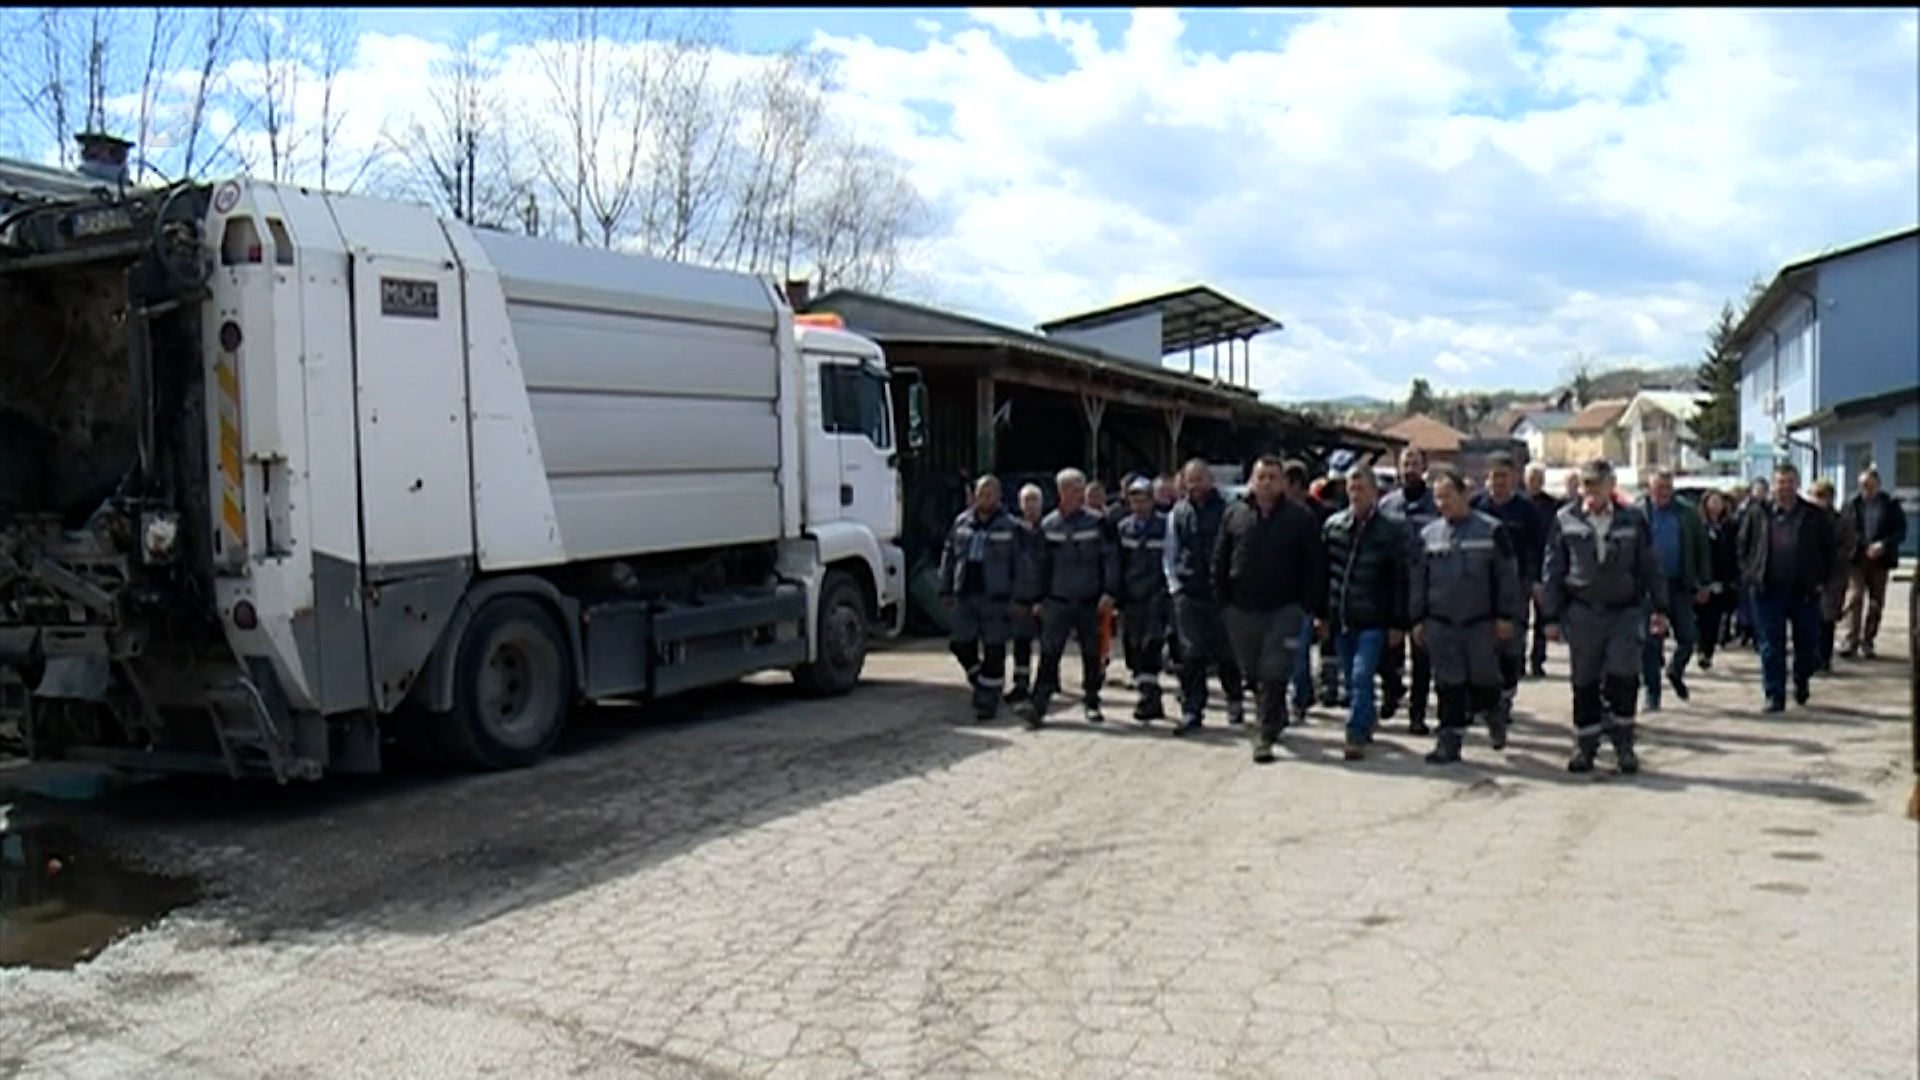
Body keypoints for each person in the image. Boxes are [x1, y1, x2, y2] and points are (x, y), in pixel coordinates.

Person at [1541, 459, 1667, 775]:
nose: (1592, 491)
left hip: (1623, 612)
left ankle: (1624, 744)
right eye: (1587, 485)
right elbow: (1553, 569)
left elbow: (1649, 566)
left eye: (1598, 484)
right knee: (1584, 682)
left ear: (1612, 487)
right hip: (1583, 612)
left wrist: (1660, 609)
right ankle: (1585, 745)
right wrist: (1550, 617)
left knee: (1623, 677)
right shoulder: (1565, 519)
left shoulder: (1632, 519)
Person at [1212, 456, 1327, 764]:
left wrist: (1308, 607)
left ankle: (1263, 735)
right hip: (1241, 609)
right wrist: (1223, 603)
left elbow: (1315, 566)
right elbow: (1220, 560)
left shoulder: (1300, 519)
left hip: (1285, 609)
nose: (1266, 482)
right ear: (1252, 479)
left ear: (1282, 482)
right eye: (1261, 476)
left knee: (1274, 671)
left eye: (1273, 477)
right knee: (1252, 672)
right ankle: (1274, 715)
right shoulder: (1234, 514)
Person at [1414, 468, 1523, 764]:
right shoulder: (1428, 535)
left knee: (1482, 681)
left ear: (1465, 494)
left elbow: (1507, 577)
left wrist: (1505, 616)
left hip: (1481, 622)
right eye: (1437, 498)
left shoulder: (1492, 531)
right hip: (1441, 622)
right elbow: (1419, 580)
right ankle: (1448, 742)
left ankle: (1493, 711)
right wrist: (1417, 618)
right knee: (1448, 684)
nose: (1442, 503)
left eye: (1447, 496)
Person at [1014, 468, 1120, 728]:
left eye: (1081, 488)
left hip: (1090, 600)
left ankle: (1092, 701)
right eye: (1073, 489)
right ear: (1061, 492)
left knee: (1091, 653)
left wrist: (1110, 592)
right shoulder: (1048, 526)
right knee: (1049, 654)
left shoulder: (1098, 523)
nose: (1079, 494)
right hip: (1057, 601)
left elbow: (1111, 560)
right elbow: (1040, 566)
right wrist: (1037, 598)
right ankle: (1038, 706)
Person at [1321, 465, 1409, 761]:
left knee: (1361, 675)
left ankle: (1355, 733)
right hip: (1342, 616)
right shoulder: (1333, 526)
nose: (1355, 494)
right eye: (1351, 488)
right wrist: (1323, 614)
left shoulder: (1391, 530)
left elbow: (1399, 579)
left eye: (1362, 489)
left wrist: (1399, 622)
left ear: (1375, 493)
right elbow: (1325, 575)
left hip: (1374, 618)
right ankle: (1366, 717)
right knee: (1352, 677)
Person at [1735, 462, 1835, 712]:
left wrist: (1822, 580)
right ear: (1773, 485)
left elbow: (1829, 550)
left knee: (1807, 644)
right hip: (1768, 590)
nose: (1785, 487)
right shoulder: (1758, 513)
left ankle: (1801, 680)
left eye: (1790, 482)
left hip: (1804, 590)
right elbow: (1742, 546)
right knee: (1770, 645)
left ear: (1797, 484)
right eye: (1780, 482)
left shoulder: (1813, 515)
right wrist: (1750, 574)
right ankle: (1774, 695)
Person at [1164, 458, 1247, 733]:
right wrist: (1175, 586)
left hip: (1221, 594)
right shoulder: (1178, 512)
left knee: (1227, 652)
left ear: (1210, 480)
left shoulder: (1229, 510)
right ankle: (1192, 710)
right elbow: (1171, 551)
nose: (1195, 485)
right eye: (1190, 480)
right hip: (1189, 593)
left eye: (1200, 479)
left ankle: (1235, 700)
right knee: (1191, 654)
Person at [1469, 452, 1545, 734]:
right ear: (1487, 478)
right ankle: (1485, 701)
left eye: (1504, 476)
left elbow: (1539, 547)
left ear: (1513, 478)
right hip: (1481, 587)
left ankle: (1506, 699)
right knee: (1482, 647)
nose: (1498, 482)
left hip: (1517, 585)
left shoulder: (1525, 510)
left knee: (1511, 646)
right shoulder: (1477, 506)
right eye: (1494, 476)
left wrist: (1537, 581)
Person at [936, 475, 1023, 720]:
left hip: (996, 596)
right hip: (966, 593)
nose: (984, 498)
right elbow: (949, 555)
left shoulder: (1010, 526)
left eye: (990, 494)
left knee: (995, 649)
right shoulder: (961, 522)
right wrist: (945, 588)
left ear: (999, 497)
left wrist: (1020, 598)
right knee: (960, 644)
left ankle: (988, 702)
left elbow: (1021, 565)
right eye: (981, 493)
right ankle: (983, 682)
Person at [1636, 470, 1711, 710]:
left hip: (1679, 583)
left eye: (1667, 487)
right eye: (1658, 487)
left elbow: (1702, 549)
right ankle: (1652, 694)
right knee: (1651, 642)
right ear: (1649, 488)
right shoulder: (1637, 513)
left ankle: (1675, 670)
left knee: (1688, 638)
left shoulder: (1687, 513)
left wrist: (1704, 582)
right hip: (1648, 587)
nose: (1663, 492)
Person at [1378, 447, 1439, 734]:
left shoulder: (1436, 504)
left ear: (1424, 468)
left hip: (1425, 585)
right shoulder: (1387, 504)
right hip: (1392, 584)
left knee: (1422, 656)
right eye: (1405, 464)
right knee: (1385, 649)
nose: (1410, 468)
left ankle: (1417, 715)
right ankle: (1392, 689)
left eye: (1415, 463)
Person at [1116, 477, 1171, 722]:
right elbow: (1119, 564)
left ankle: (1150, 698)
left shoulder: (1165, 526)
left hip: (1156, 595)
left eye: (1143, 500)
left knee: (1151, 646)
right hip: (1132, 597)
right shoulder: (1124, 528)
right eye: (1134, 500)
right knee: (1133, 647)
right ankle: (1145, 691)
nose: (1138, 505)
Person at [1840, 465, 1909, 660]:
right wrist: (1864, 545)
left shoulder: (1891, 506)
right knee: (1855, 597)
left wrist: (1883, 545)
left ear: (1878, 485)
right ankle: (1850, 639)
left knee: (1876, 602)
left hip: (1881, 560)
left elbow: (1900, 532)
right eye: (1863, 485)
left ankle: (1868, 640)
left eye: (1870, 485)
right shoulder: (1851, 505)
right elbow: (1846, 530)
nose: (1866, 490)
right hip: (1857, 558)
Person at [1283, 459, 1333, 725]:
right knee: (1290, 653)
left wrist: (1322, 609)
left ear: (1295, 486)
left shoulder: (1321, 517)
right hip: (1282, 595)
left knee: (1299, 651)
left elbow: (1321, 565)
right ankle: (1300, 695)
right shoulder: (1278, 514)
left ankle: (1301, 698)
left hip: (1306, 597)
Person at [1806, 479, 1855, 674]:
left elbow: (1847, 547)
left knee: (1827, 617)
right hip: (1808, 576)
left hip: (1833, 576)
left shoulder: (1841, 521)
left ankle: (1823, 658)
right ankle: (1810, 656)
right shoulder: (1806, 519)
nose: (1816, 500)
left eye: (1820, 496)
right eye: (1813, 495)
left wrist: (1830, 563)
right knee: (1809, 618)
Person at [1005, 482, 1047, 704]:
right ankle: (1021, 684)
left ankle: (1047, 683)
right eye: (1027, 501)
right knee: (1021, 643)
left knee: (1049, 643)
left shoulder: (1050, 529)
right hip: (1020, 596)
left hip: (1046, 597)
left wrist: (1045, 597)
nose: (1031, 505)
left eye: (1035, 501)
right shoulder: (1013, 532)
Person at [1695, 489, 1742, 670]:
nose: (1715, 505)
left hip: (1723, 577)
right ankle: (1701, 649)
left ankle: (1708, 650)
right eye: (1711, 502)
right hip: (1703, 577)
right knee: (1701, 617)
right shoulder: (1699, 525)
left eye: (1718, 502)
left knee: (1715, 617)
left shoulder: (1730, 526)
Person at [1524, 463, 1560, 678]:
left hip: (1543, 567)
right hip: (1521, 569)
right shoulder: (1518, 502)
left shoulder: (1552, 505)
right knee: (1519, 619)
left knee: (1542, 618)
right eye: (1531, 478)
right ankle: (1517, 661)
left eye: (1538, 478)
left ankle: (1538, 660)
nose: (1534, 482)